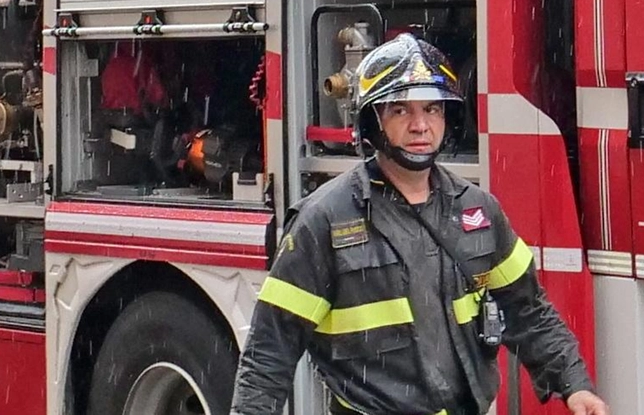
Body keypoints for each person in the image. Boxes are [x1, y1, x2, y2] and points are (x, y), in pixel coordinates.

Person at [229, 33, 608, 415]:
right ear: (372, 122)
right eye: (400, 110)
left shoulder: (478, 211)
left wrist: (574, 385)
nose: (420, 125)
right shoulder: (324, 221)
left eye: (432, 109)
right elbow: (268, 353)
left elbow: (528, 311)